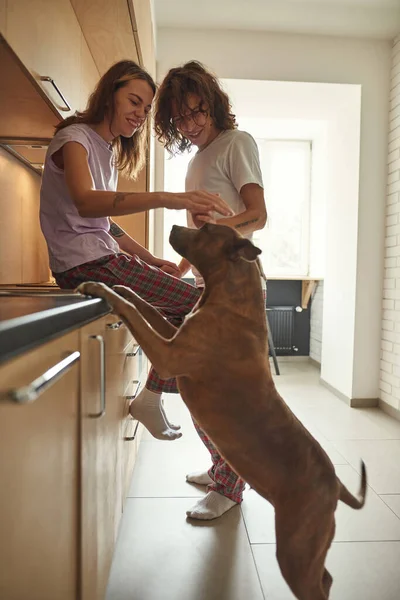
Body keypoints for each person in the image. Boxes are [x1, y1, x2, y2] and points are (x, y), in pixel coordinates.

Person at [39, 60, 233, 444]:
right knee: (200, 306)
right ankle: (150, 397)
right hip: (86, 264)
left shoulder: (105, 150)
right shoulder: (74, 139)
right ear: (110, 94)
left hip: (99, 259)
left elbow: (105, 225)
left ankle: (151, 396)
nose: (141, 114)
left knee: (191, 310)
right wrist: (168, 199)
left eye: (146, 108)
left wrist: (149, 260)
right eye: (134, 101)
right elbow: (86, 202)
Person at [154, 60, 267, 519]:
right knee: (198, 382)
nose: (192, 123)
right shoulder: (197, 159)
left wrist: (218, 229)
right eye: (181, 117)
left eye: (198, 111)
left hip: (235, 284)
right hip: (207, 281)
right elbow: (197, 231)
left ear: (214, 105)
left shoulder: (235, 144)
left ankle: (230, 487)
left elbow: (258, 215)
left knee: (221, 390)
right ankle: (222, 467)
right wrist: (179, 268)